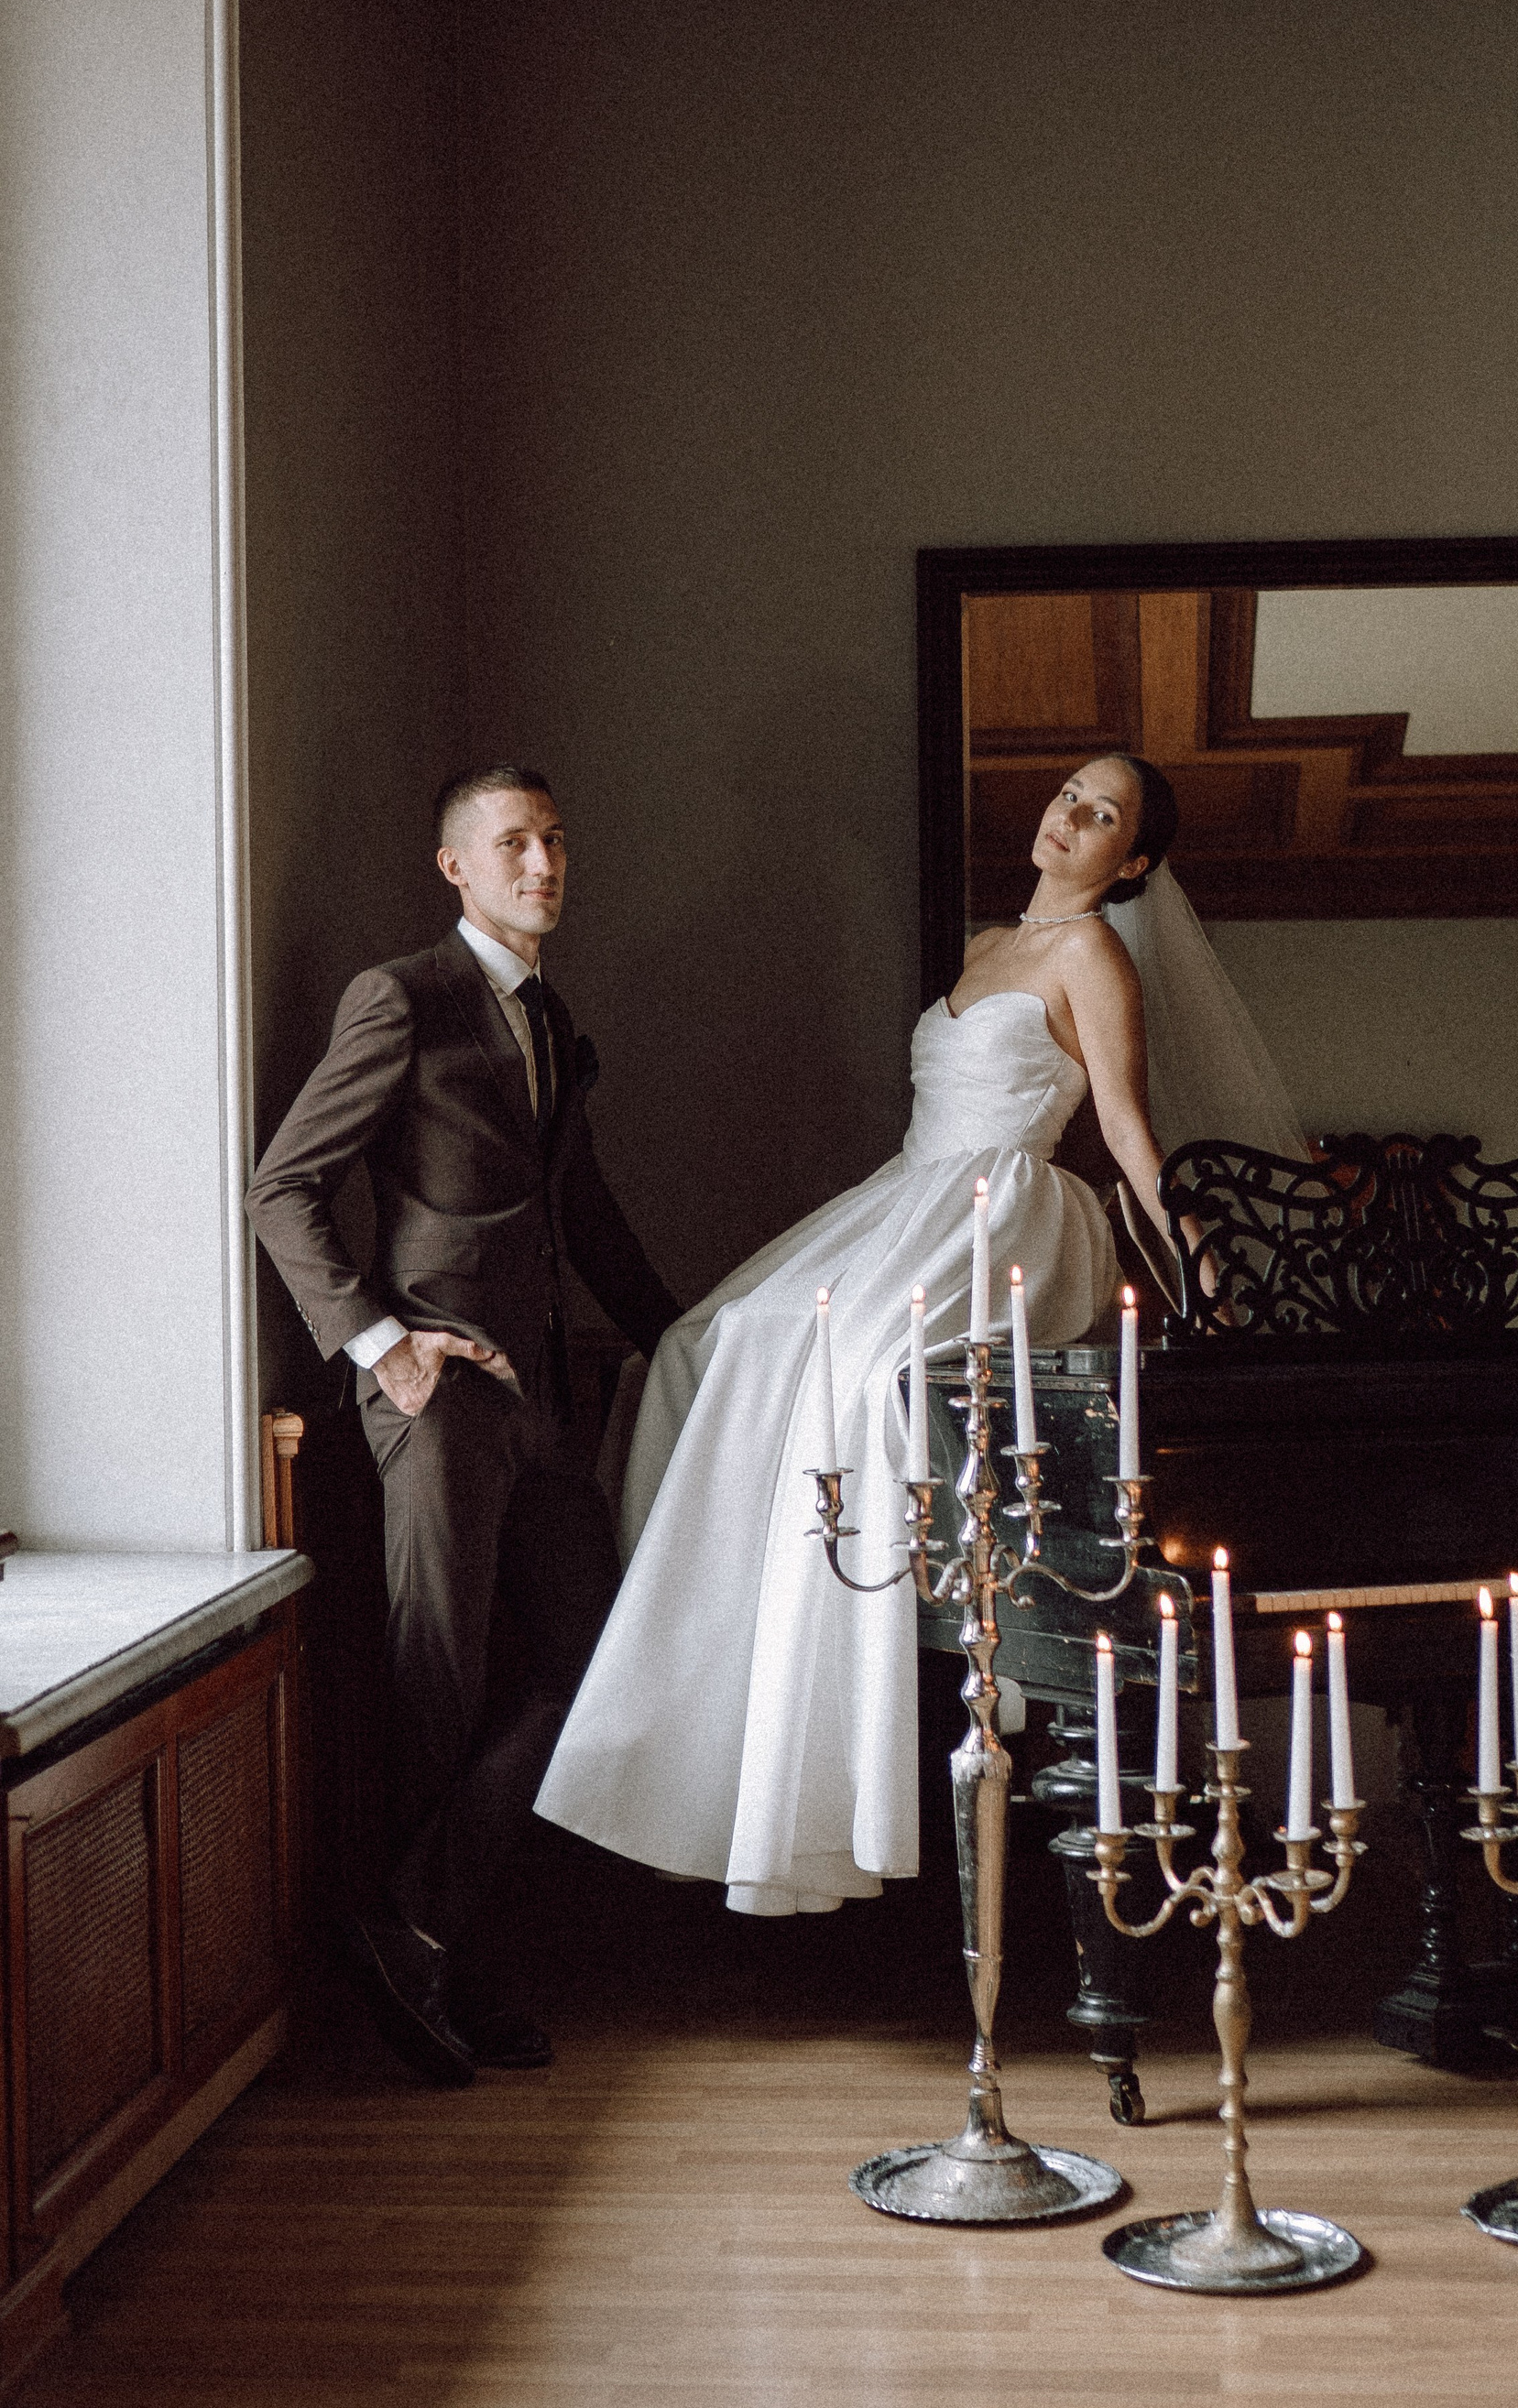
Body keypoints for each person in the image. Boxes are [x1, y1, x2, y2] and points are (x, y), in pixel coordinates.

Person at [535, 754, 1302, 1916]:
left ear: (1132, 861)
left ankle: (810, 1769)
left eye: (1103, 814)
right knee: (702, 1345)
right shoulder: (988, 944)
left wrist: (1208, 1277)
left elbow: (1129, 1134)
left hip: (1003, 1210)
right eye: (1070, 793)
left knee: (852, 1369)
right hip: (911, 1192)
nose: (1070, 815)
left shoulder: (1095, 955)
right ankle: (685, 1726)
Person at [246, 765, 680, 2085]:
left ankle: (417, 1931)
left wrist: (693, 1338)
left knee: (591, 1661)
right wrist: (384, 1345)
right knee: (435, 1690)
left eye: (555, 840)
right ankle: (435, 1962)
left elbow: (581, 1212)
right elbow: (283, 1188)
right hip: (434, 1403)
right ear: (455, 867)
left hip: (540, 1400)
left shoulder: (551, 1017)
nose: (543, 864)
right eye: (512, 844)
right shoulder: (402, 998)